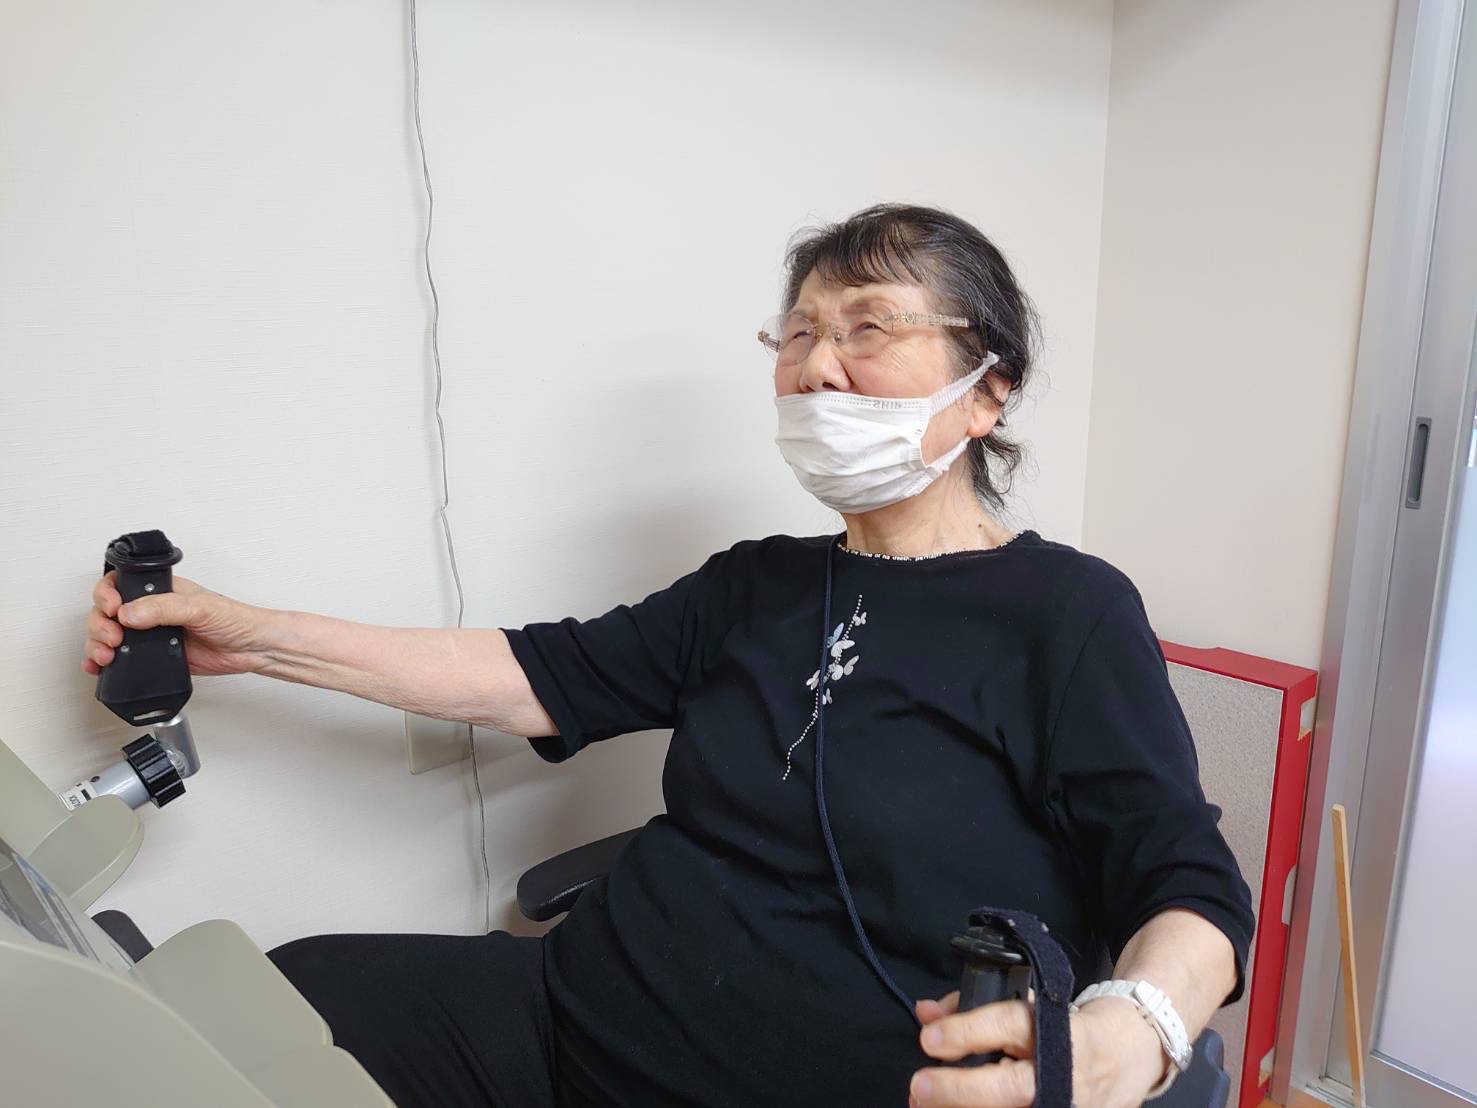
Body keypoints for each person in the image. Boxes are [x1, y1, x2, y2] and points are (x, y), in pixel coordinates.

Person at [82, 204, 1253, 1108]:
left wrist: (1135, 1029)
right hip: (570, 1012)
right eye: (799, 333)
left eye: (868, 328)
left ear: (986, 391)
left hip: (833, 1079)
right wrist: (252, 635)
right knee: (259, 1005)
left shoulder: (1066, 610)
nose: (819, 365)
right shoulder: (754, 583)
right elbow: (530, 676)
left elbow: (1189, 888)